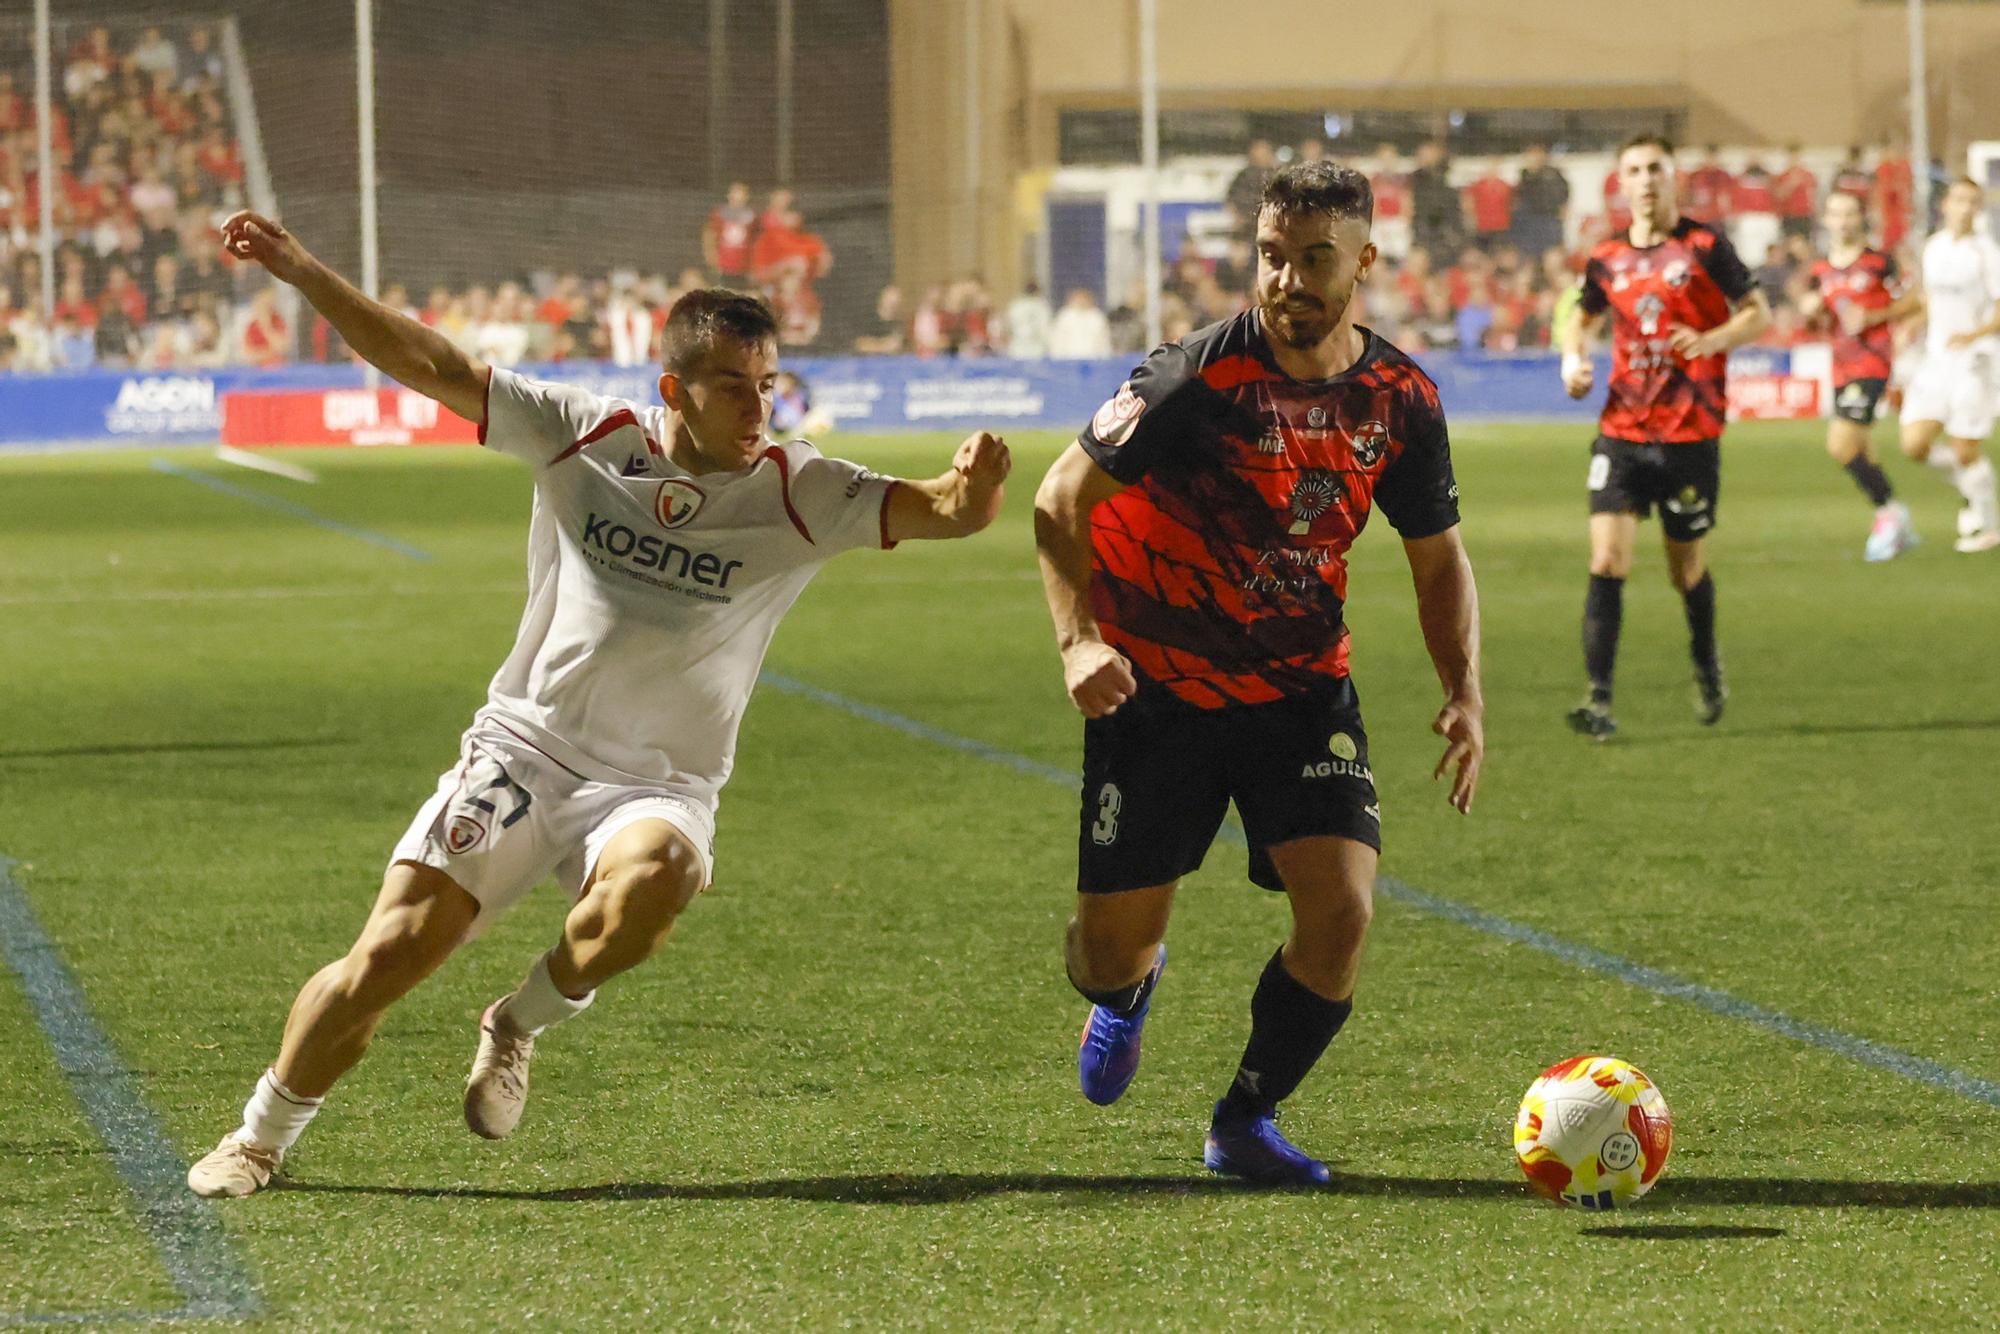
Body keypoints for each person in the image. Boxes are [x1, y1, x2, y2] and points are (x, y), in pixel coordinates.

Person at [185, 210, 1012, 1199]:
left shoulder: (802, 491)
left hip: (653, 783)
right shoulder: (586, 436)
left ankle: (518, 1020)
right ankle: (260, 1134)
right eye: (730, 388)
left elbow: (944, 512)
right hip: (524, 750)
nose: (757, 409)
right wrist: (299, 268)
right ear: (673, 390)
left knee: (654, 878)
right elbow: (428, 361)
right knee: (389, 954)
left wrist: (975, 486)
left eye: (767, 386)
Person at [1032, 160, 1483, 1186]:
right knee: (1101, 953)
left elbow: (1436, 555)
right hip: (1156, 696)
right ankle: (1128, 991)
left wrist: (1463, 689)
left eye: (1311, 258)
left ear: (1363, 262)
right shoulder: (1191, 378)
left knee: (1341, 912)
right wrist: (1078, 641)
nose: (1284, 278)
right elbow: (1058, 500)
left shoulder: (1401, 400)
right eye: (1270, 255)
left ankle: (1243, 1117)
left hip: (1296, 689)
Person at [1560, 135, 1773, 738]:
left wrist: (1712, 340)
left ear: (1672, 177)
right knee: (1606, 560)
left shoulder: (1705, 245)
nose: (1646, 179)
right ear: (1621, 184)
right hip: (1622, 431)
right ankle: (1598, 700)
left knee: (1686, 573)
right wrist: (1572, 363)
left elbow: (1758, 311)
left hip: (1690, 435)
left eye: (1656, 168)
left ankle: (1706, 663)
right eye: (1634, 170)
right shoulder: (1606, 257)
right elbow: (1581, 320)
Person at [1799, 190, 1922, 560]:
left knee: (1840, 445)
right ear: (1826, 220)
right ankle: (1898, 523)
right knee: (1864, 448)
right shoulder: (1820, 269)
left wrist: (1874, 317)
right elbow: (1819, 318)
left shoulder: (1879, 262)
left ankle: (1889, 513)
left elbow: (1915, 300)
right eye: (1836, 214)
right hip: (1840, 365)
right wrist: (1813, 312)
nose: (1843, 221)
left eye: (1850, 213)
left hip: (1873, 362)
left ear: (1860, 218)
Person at [1897, 177, 2000, 554]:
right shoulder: (1934, 247)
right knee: (1914, 443)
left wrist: (1974, 334)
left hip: (1977, 359)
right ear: (1946, 205)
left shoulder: (1986, 252)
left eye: (1974, 202)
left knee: (1965, 447)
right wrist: (1912, 323)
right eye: (1960, 200)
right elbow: (1929, 299)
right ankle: (1971, 489)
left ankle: (1989, 526)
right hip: (1937, 358)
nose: (1966, 208)